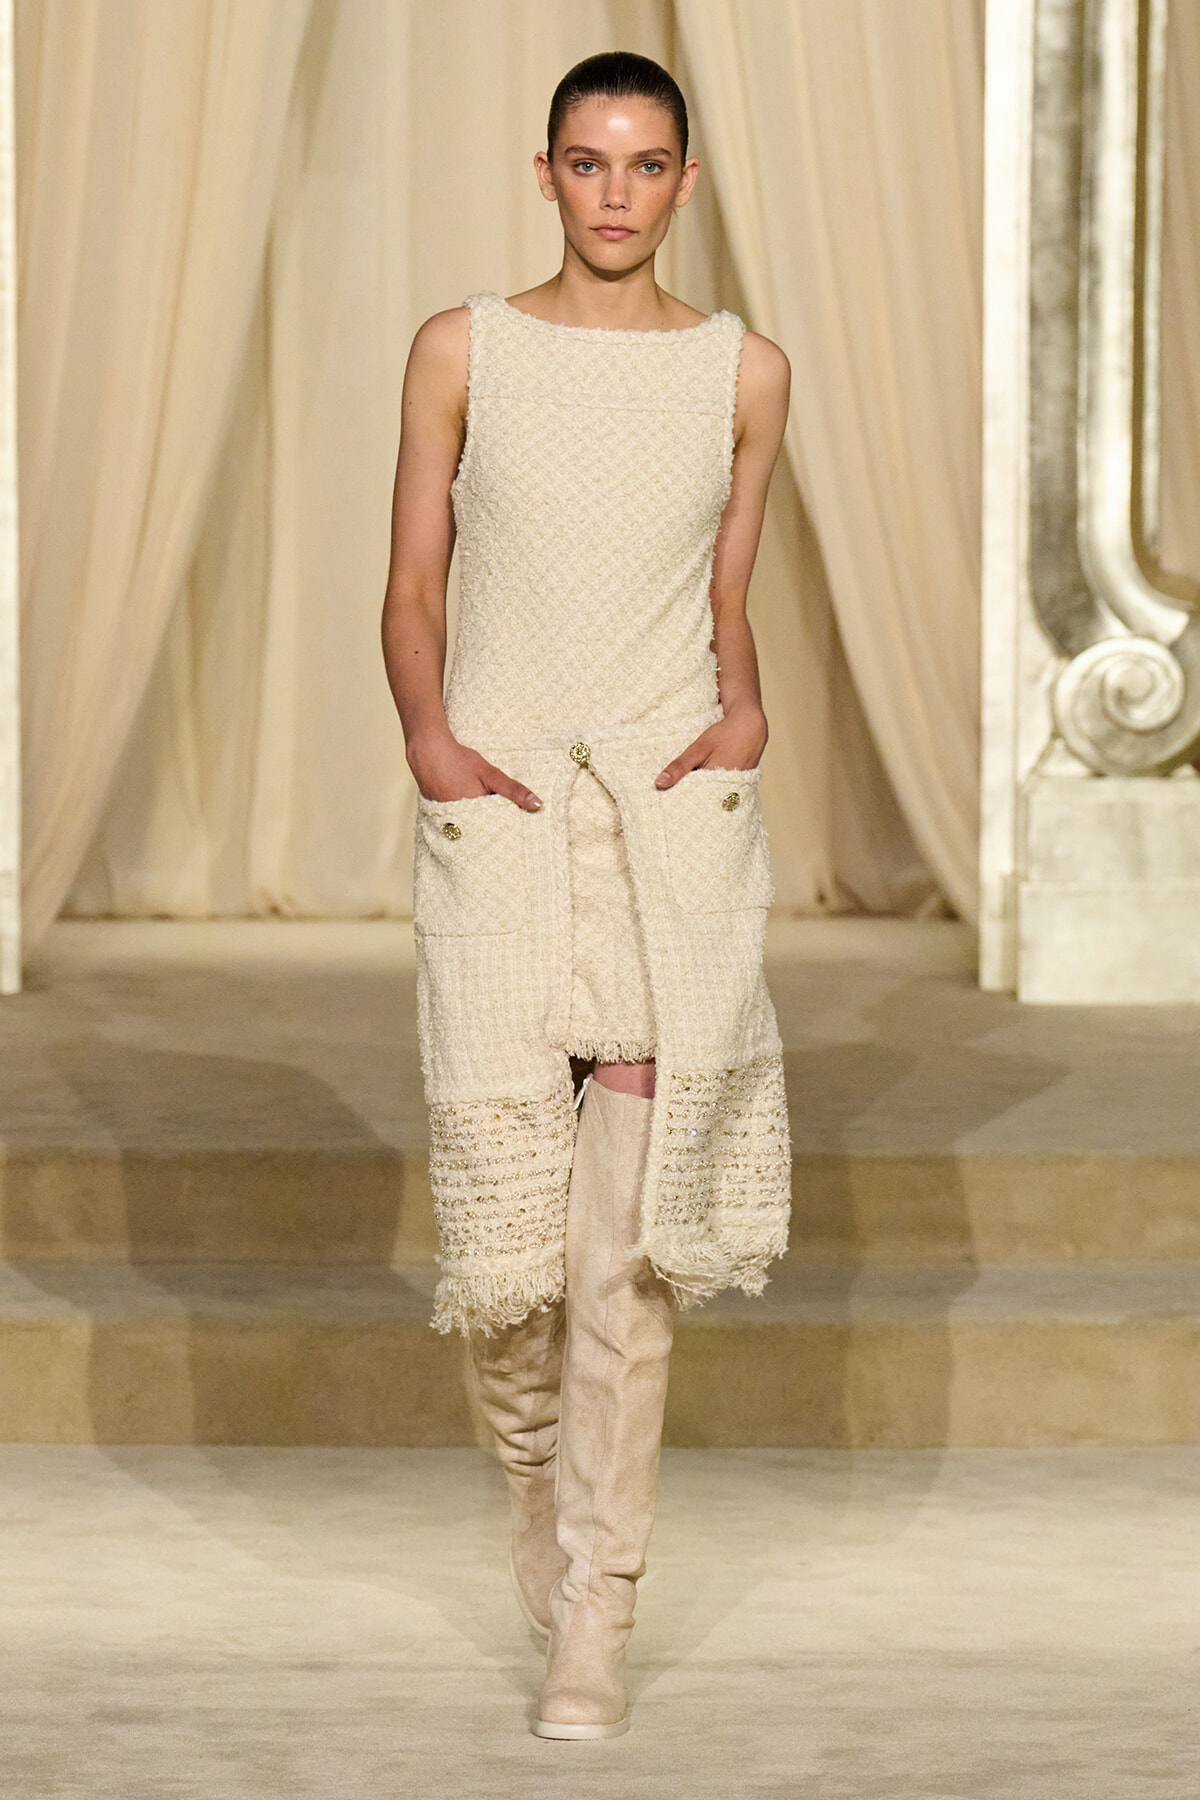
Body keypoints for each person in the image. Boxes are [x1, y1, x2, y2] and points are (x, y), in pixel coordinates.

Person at [381, 49, 792, 1740]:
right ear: (541, 173)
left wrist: (745, 712)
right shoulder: (461, 350)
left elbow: (728, 593)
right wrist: (431, 739)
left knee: (623, 1250)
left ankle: (598, 1607)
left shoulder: (744, 372)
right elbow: (412, 581)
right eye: (587, 162)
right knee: (507, 1248)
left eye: (644, 164)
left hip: (667, 824)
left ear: (686, 181)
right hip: (501, 806)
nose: (615, 191)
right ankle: (542, 1501)